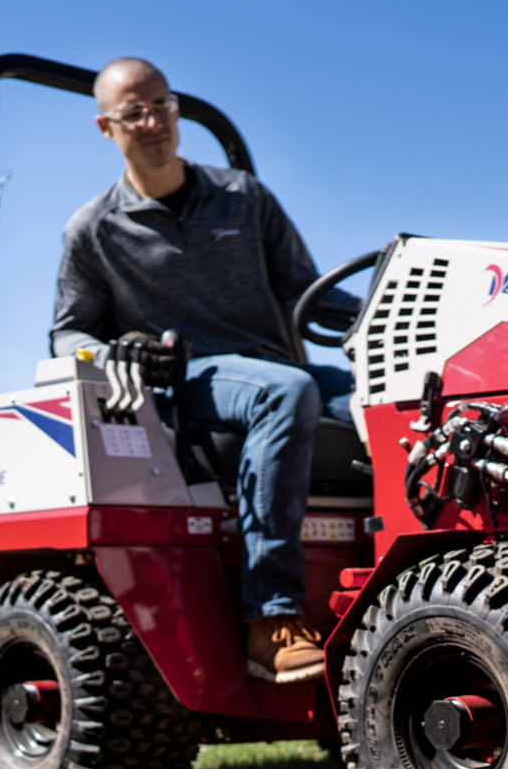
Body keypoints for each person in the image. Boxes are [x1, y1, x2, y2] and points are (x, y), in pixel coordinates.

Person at [52, 57, 360, 685]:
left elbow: (311, 294)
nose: (153, 120)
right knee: (289, 391)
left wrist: (404, 313)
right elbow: (68, 334)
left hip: (271, 370)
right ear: (105, 128)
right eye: (133, 112)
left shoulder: (243, 198)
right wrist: (116, 353)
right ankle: (270, 616)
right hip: (191, 384)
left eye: (162, 104)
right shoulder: (93, 230)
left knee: (402, 397)